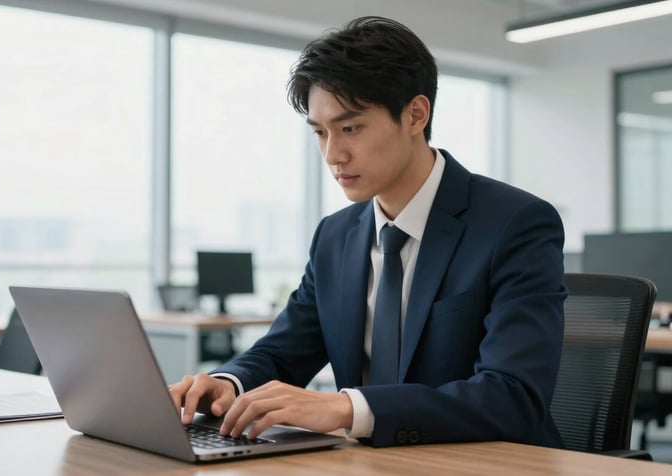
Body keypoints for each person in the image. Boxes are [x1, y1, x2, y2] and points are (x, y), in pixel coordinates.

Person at [169, 16, 566, 448]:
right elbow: (284, 351)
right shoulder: (335, 237)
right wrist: (229, 383)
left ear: (415, 115)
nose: (332, 154)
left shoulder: (515, 224)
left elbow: (513, 397)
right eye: (320, 133)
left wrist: (345, 408)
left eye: (350, 128)